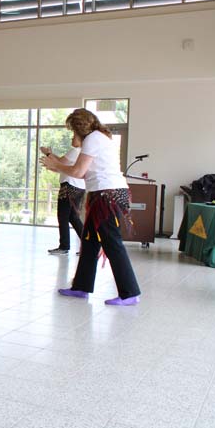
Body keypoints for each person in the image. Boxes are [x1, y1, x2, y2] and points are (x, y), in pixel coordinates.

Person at [41, 108, 141, 306]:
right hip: (102, 194)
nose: (73, 134)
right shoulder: (98, 137)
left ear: (79, 127)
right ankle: (81, 286)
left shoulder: (93, 139)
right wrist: (58, 164)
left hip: (107, 196)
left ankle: (130, 293)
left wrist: (56, 165)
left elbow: (77, 172)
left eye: (73, 130)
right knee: (89, 242)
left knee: (112, 244)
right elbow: (85, 172)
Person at [41, 136, 85, 255]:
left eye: (74, 137)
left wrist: (48, 154)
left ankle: (64, 247)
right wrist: (51, 164)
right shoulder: (82, 153)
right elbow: (63, 167)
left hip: (69, 187)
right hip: (79, 187)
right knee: (73, 218)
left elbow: (60, 162)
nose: (71, 138)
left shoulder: (75, 151)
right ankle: (87, 245)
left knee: (63, 216)